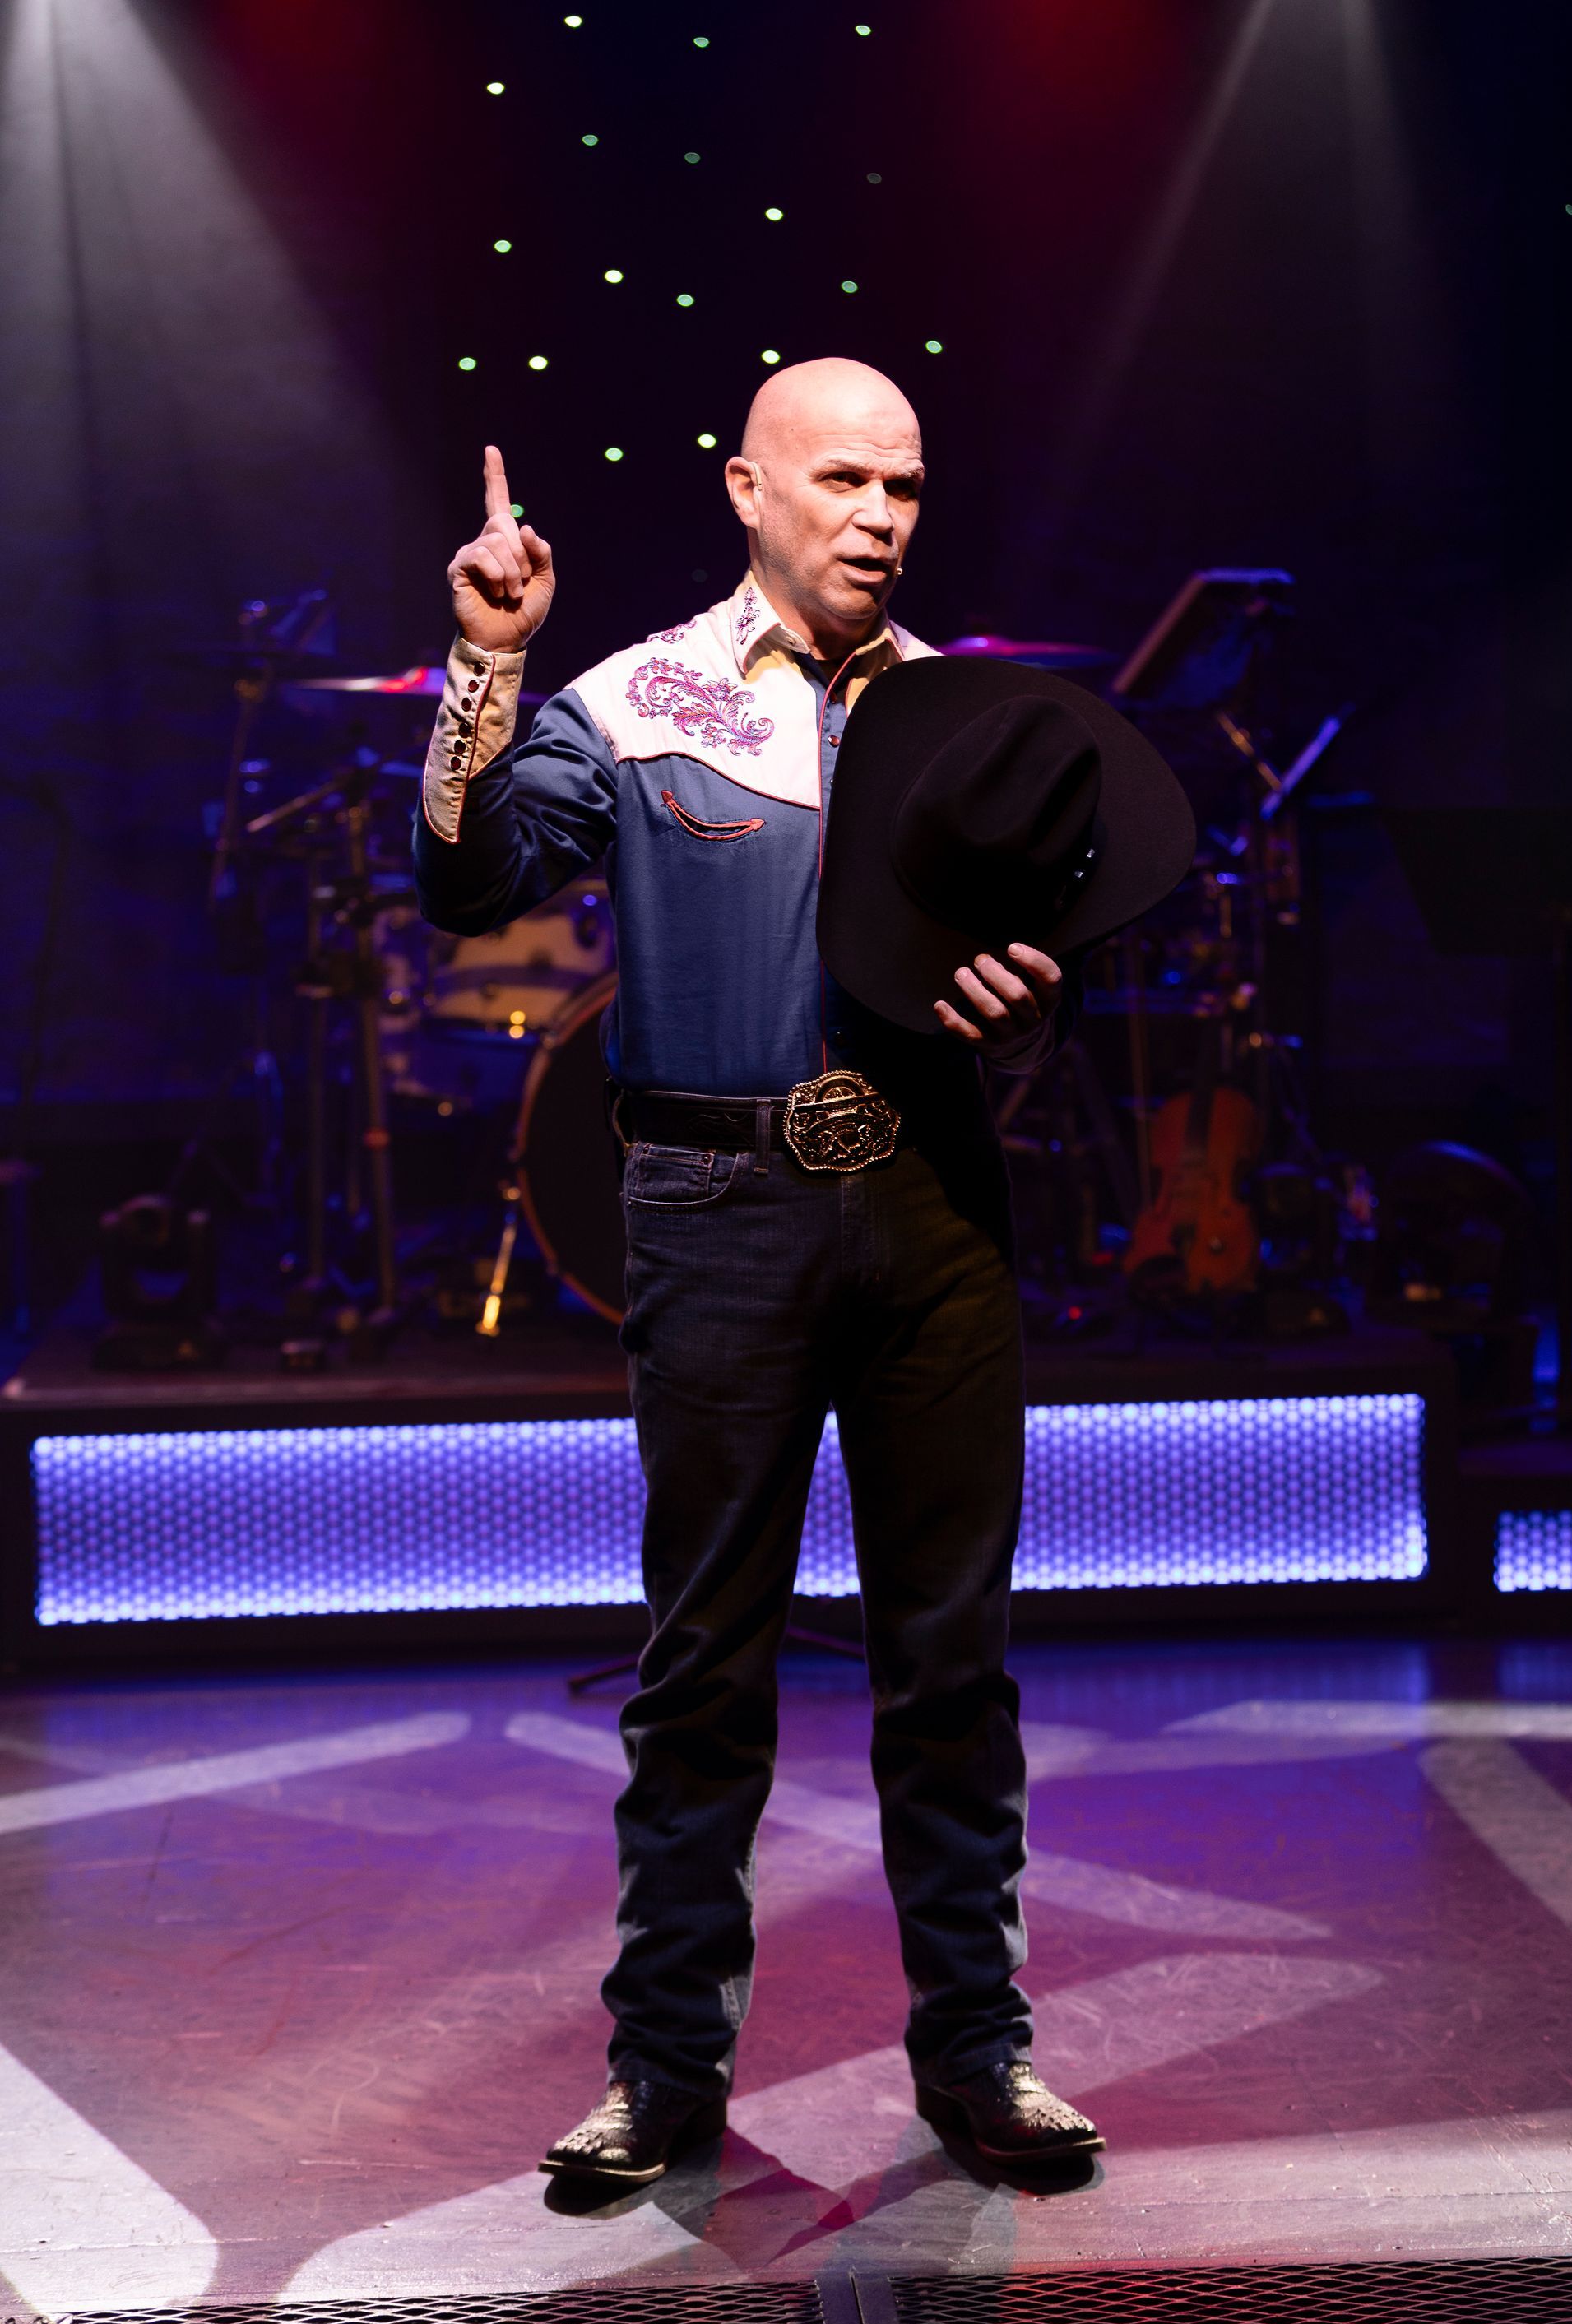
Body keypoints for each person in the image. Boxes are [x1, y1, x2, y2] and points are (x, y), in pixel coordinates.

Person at [415, 356, 1103, 2187]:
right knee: (703, 1663)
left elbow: (1045, 962)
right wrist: (489, 659)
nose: (880, 517)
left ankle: (976, 2059)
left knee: (950, 1660)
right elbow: (467, 881)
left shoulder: (970, 721)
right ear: (748, 486)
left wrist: (1032, 994)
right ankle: (665, 2074)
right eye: (845, 482)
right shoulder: (636, 699)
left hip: (938, 1215)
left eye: (908, 488)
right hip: (717, 1217)